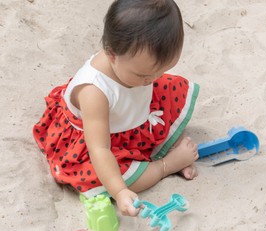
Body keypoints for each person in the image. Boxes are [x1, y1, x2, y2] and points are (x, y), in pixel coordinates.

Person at [32, 0, 200, 217]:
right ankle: (167, 165)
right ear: (111, 54)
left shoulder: (134, 65)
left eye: (161, 70)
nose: (152, 80)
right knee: (124, 177)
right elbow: (99, 150)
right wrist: (120, 192)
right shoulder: (94, 92)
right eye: (143, 75)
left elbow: (149, 80)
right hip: (96, 139)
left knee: (167, 92)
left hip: (132, 116)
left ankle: (170, 145)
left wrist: (146, 78)